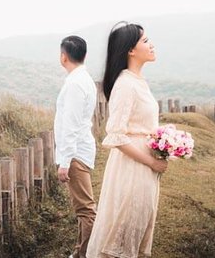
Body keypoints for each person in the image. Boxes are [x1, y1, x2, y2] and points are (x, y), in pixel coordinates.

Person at [85, 22, 168, 258]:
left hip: (144, 165)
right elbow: (117, 135)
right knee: (126, 227)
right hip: (133, 167)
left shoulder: (137, 81)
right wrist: (151, 162)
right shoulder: (125, 84)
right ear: (130, 50)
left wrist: (164, 140)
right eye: (145, 41)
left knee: (139, 224)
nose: (151, 44)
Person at [54, 35, 98, 258]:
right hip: (81, 149)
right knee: (83, 208)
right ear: (84, 55)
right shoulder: (84, 79)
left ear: (63, 57)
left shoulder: (74, 84)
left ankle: (88, 253)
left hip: (76, 153)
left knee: (85, 209)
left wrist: (65, 161)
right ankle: (80, 252)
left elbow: (70, 125)